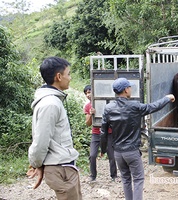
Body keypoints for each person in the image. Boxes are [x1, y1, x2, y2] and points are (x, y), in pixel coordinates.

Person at [100, 77, 175, 200]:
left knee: (126, 179)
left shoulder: (108, 108)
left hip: (118, 152)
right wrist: (167, 98)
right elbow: (153, 107)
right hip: (132, 152)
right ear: (125, 90)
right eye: (129, 87)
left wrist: (103, 150)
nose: (130, 89)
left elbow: (103, 132)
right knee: (139, 179)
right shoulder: (134, 106)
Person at [27, 56, 82, 199]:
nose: (70, 78)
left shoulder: (52, 100)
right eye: (68, 74)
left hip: (62, 166)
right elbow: (41, 140)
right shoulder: (51, 103)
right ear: (58, 76)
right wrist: (36, 164)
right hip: (60, 168)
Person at [83, 85, 117, 182]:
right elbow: (88, 123)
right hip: (96, 133)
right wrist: (90, 114)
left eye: (89, 92)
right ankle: (93, 176)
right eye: (86, 93)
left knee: (112, 155)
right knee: (92, 155)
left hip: (109, 133)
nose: (88, 95)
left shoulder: (106, 103)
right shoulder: (88, 106)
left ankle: (114, 176)